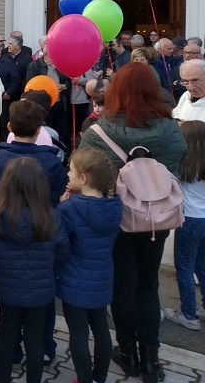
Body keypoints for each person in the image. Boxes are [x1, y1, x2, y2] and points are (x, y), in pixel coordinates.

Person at [78, 62, 186, 382]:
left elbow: (85, 173)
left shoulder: (99, 130)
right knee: (149, 284)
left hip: (118, 216)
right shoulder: (170, 128)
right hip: (159, 217)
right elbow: (181, 159)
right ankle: (152, 360)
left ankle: (128, 352)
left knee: (123, 285)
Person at [0, 158, 69, 383]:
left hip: (6, 286)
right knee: (35, 341)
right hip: (40, 290)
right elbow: (62, 251)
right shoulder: (52, 216)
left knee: (6, 338)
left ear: (6, 184)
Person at [57, 148, 122, 383]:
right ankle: (100, 377)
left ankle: (84, 379)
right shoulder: (114, 206)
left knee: (79, 334)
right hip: (102, 278)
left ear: (83, 178)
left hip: (74, 280)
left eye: (71, 171)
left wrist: (59, 210)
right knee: (101, 329)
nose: (67, 175)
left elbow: (61, 243)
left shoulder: (69, 208)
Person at [162, 120, 205, 331]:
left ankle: (189, 314)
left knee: (185, 267)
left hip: (189, 219)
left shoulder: (183, 166)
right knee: (202, 265)